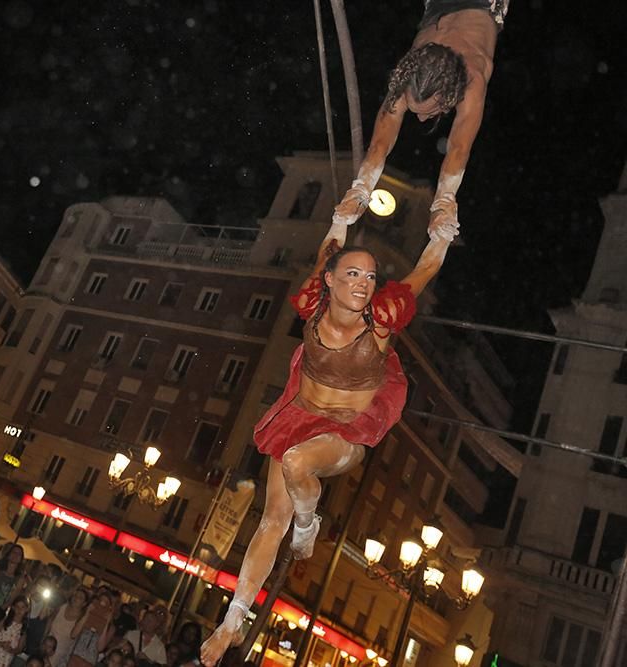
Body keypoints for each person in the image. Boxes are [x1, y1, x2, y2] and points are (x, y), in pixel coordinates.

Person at [200, 218, 452, 666]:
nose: (363, 283)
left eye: (371, 276)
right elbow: (326, 249)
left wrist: (444, 229)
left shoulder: (380, 322)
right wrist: (340, 217)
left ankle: (309, 524)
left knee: (297, 462)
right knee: (269, 522)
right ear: (330, 282)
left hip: (343, 435)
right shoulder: (313, 306)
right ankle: (232, 621)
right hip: (299, 420)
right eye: (352, 274)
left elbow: (425, 269)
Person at [332, 0, 508, 241]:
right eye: (417, 110)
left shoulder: (472, 80)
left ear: (449, 97)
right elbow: (380, 144)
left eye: (430, 110)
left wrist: (443, 203)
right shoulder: (407, 76)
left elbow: (458, 148)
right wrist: (360, 189)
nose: (422, 119)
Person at [67, 591, 115, 667]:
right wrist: (87, 613)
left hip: (89, 662)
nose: (102, 604)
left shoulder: (110, 628)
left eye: (106, 602)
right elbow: (73, 634)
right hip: (73, 656)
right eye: (101, 600)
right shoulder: (86, 615)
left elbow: (100, 648)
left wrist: (106, 623)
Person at [46, 587, 88, 667]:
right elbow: (50, 620)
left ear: (84, 603)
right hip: (46, 645)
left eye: (80, 597)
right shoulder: (62, 607)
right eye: (75, 595)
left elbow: (74, 635)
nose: (76, 598)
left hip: (60, 654)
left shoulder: (82, 618)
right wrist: (44, 637)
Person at [0, 596, 29, 667]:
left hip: (6, 658)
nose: (19, 610)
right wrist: (1, 644)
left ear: (26, 609)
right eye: (17, 607)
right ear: (13, 607)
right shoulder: (5, 621)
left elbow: (19, 649)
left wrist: (12, 650)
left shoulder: (23, 628)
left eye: (22, 607)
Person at [0, 543, 27, 609]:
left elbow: (11, 600)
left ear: (21, 559)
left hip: (1, 609)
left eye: (19, 554)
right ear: (8, 554)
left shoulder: (19, 579)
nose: (16, 555)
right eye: (14, 552)